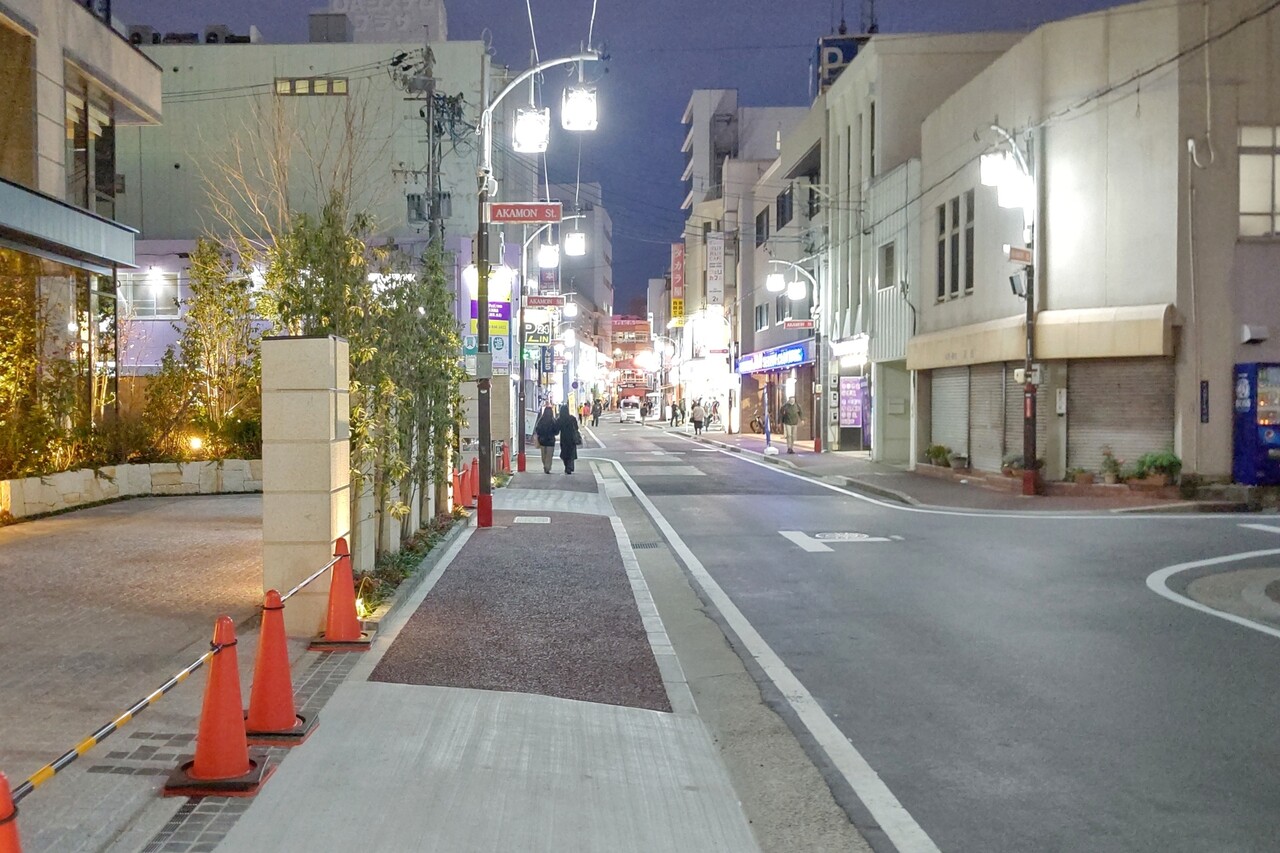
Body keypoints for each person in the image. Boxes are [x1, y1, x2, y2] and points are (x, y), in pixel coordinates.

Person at [533, 404, 559, 474]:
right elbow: (556, 431)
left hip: (542, 440)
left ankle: (545, 466)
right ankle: (547, 467)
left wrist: (540, 435)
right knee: (549, 456)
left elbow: (537, 429)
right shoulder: (553, 421)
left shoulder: (541, 420)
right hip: (550, 441)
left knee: (543, 455)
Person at [557, 403, 581, 474]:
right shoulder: (572, 418)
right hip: (572, 438)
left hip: (563, 438)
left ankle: (567, 466)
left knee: (564, 453)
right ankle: (570, 467)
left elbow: (557, 429)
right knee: (571, 453)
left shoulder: (560, 419)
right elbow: (576, 428)